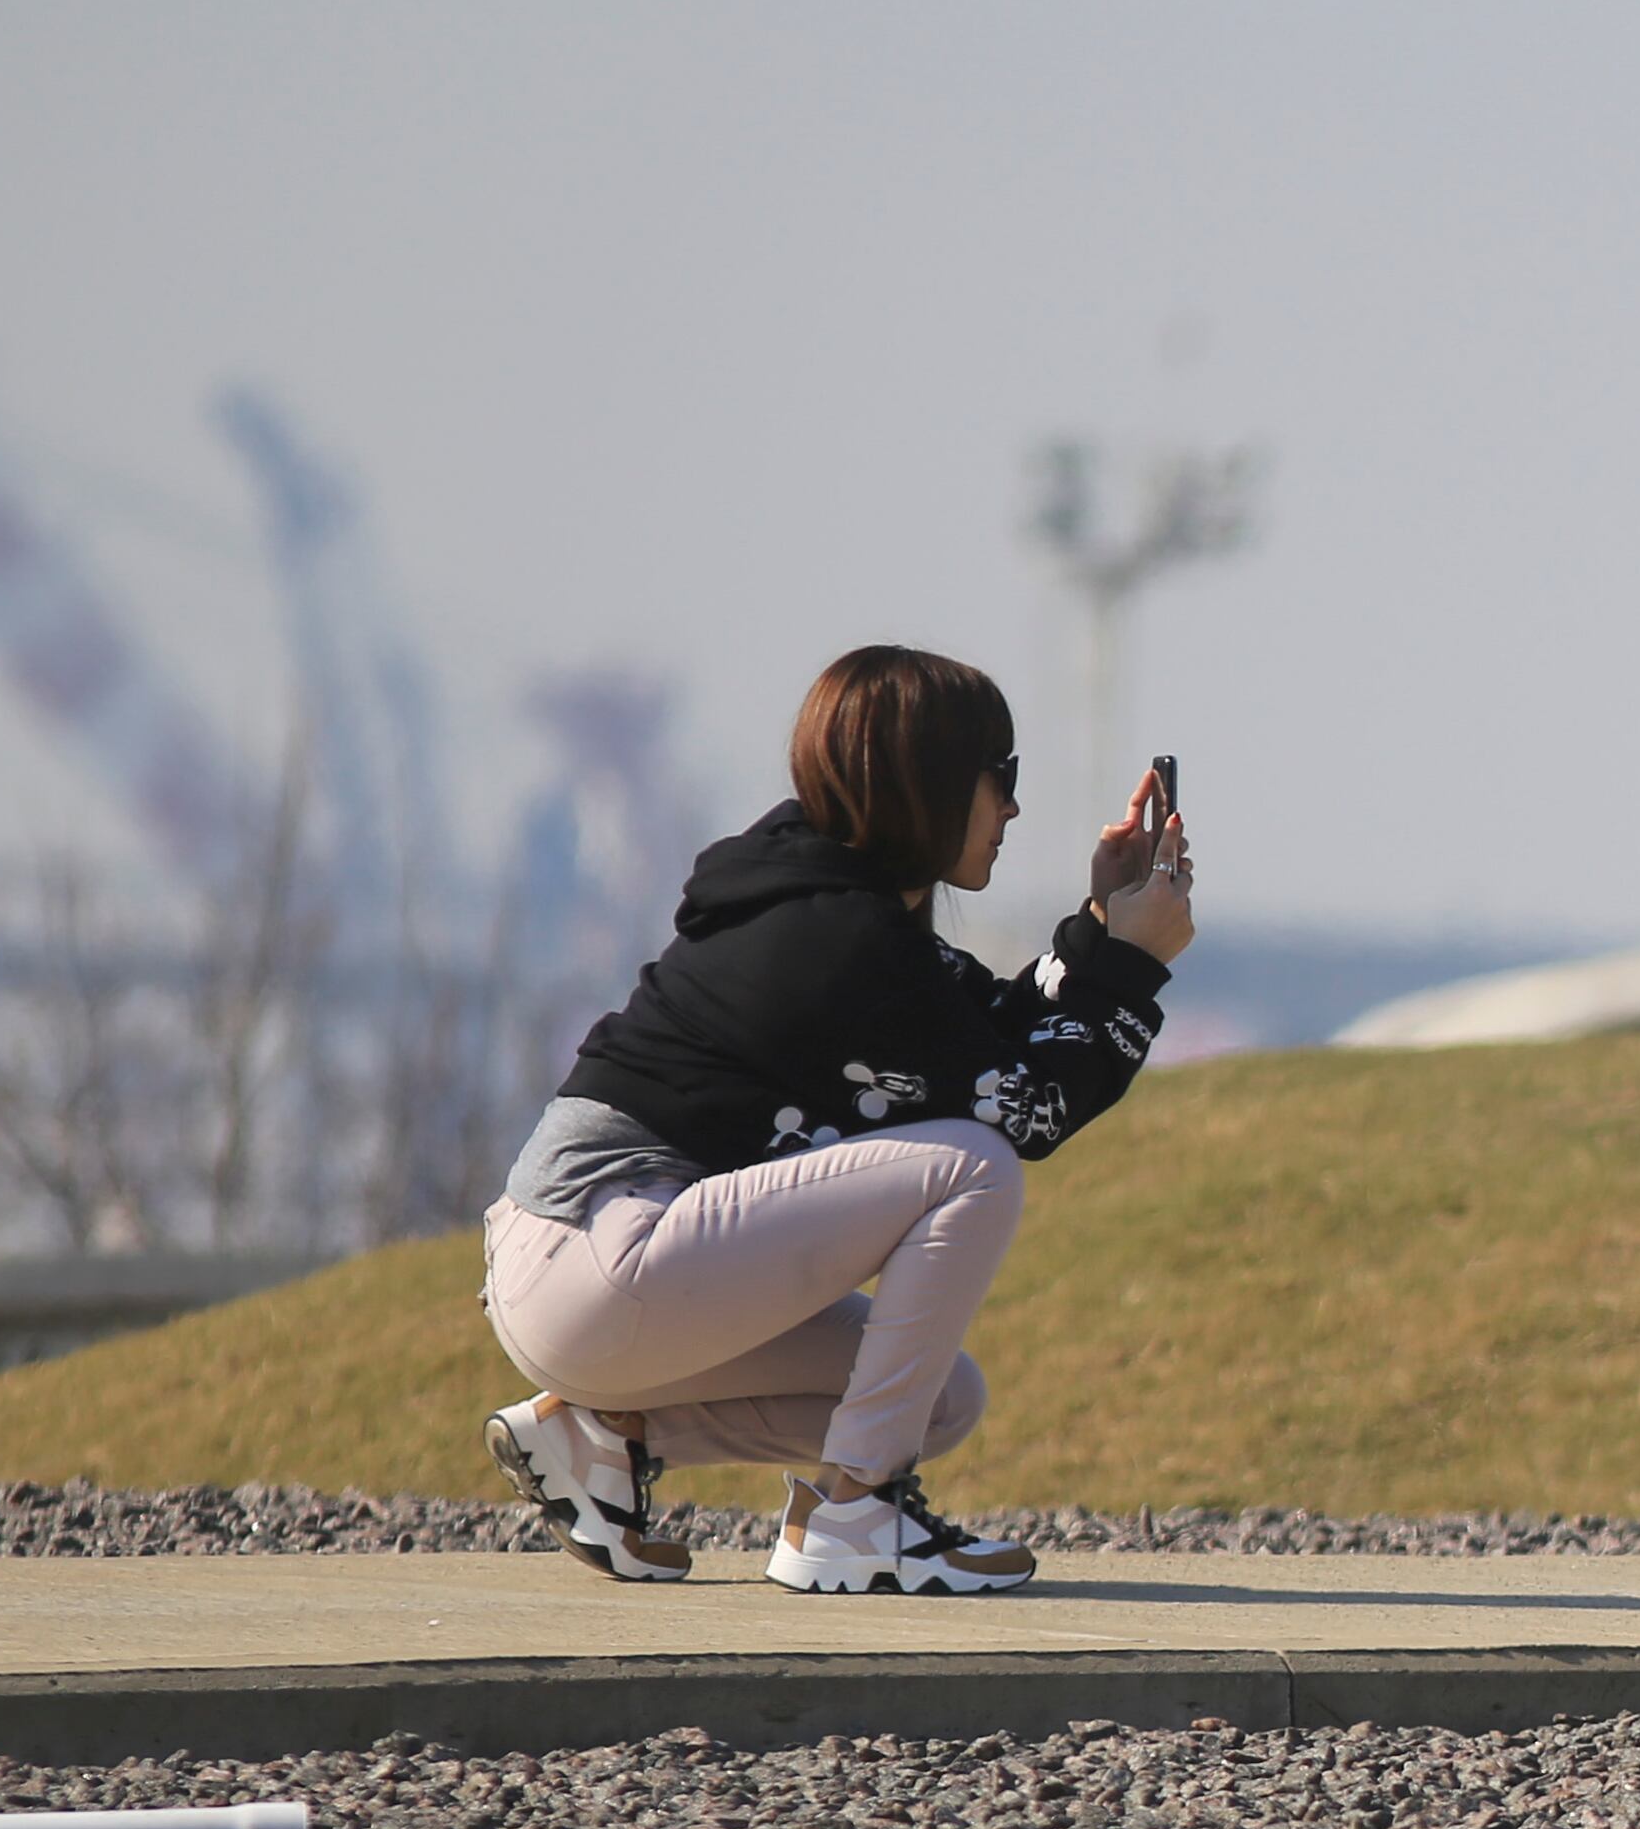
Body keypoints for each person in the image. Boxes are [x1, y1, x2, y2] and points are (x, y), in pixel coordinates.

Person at [474, 645, 1194, 1592]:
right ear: (933, 783)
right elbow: (1028, 1109)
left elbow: (993, 1029)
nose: (1013, 809)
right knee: (972, 1164)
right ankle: (857, 1515)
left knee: (936, 1398)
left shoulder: (833, 906)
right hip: (600, 1258)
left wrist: (1102, 928)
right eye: (1002, 776)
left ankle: (604, 1437)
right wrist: (1135, 967)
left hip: (589, 1264)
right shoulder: (837, 940)